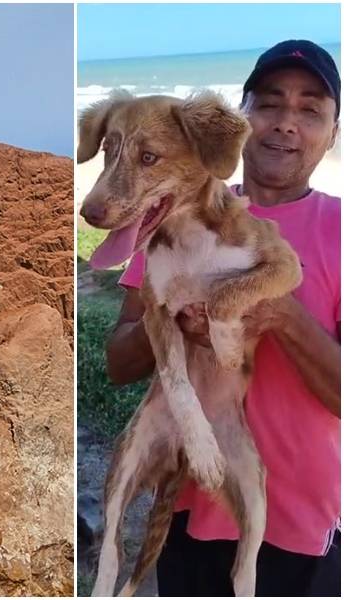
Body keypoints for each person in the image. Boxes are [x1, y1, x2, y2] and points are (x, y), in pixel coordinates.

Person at [104, 39, 340, 596]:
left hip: (300, 523)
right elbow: (117, 361)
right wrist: (169, 321)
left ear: (334, 134)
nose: (286, 123)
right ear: (240, 121)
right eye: (269, 104)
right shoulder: (171, 214)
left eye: (310, 110)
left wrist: (280, 315)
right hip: (190, 507)